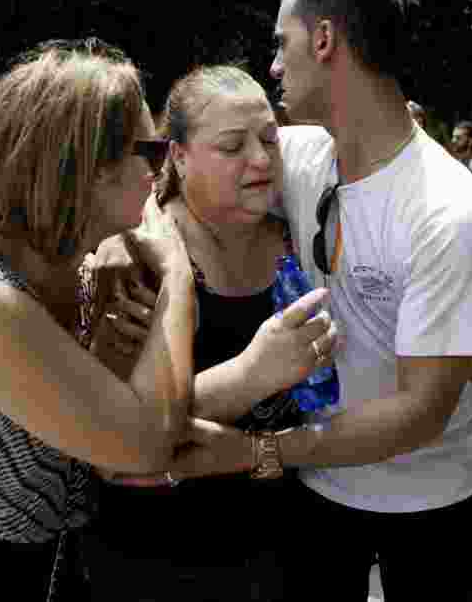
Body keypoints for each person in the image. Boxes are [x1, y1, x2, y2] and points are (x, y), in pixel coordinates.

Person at [0, 40, 334, 601]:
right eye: (148, 150)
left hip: (46, 572)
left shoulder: (74, 270)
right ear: (86, 168)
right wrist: (176, 279)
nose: (160, 167)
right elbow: (142, 444)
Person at [118, 0, 472, 602]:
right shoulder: (296, 157)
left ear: (323, 40)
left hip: (428, 511)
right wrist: (134, 235)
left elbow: (419, 414)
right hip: (317, 500)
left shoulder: (451, 212)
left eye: (281, 43)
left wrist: (253, 451)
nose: (273, 67)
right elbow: (183, 176)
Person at [83, 65, 337, 602]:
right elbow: (115, 436)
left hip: (282, 545)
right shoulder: (139, 258)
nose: (262, 159)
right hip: (159, 558)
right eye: (232, 146)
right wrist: (251, 375)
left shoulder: (294, 233)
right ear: (177, 155)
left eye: (270, 138)